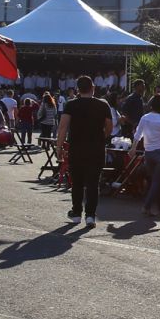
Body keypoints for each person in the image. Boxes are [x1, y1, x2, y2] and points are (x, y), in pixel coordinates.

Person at [57, 75, 112, 227]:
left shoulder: (70, 104)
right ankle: (90, 215)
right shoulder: (103, 104)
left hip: (76, 147)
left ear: (78, 89)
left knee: (77, 182)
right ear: (93, 87)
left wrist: (59, 147)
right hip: (96, 148)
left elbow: (63, 127)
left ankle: (76, 212)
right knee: (93, 183)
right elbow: (109, 126)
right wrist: (101, 137)